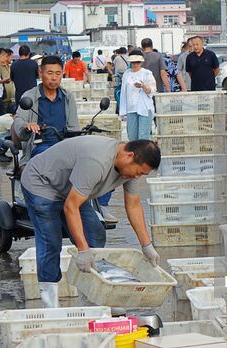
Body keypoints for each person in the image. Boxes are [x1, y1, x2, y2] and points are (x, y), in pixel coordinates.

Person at [20, 137, 161, 307]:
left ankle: (94, 295)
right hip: (41, 182)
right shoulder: (97, 161)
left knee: (95, 234)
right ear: (129, 155)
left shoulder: (130, 169)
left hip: (71, 189)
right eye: (139, 172)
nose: (137, 177)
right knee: (51, 242)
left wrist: (147, 246)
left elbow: (133, 205)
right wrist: (82, 249)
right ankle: (50, 305)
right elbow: (71, 207)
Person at [12, 55, 80, 163]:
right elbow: (19, 120)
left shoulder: (68, 97)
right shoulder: (29, 96)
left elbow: (74, 128)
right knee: (48, 157)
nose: (54, 77)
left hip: (63, 146)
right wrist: (26, 125)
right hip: (38, 147)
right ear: (40, 73)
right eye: (50, 73)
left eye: (58, 73)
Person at [119, 50, 156, 141]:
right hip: (131, 108)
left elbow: (152, 91)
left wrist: (143, 86)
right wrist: (122, 111)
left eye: (137, 62)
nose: (135, 64)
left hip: (144, 108)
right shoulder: (126, 74)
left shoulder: (147, 73)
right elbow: (123, 93)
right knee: (132, 136)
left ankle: (144, 154)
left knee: (143, 136)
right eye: (133, 62)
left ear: (141, 62)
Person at [0, 49, 15, 113]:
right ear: (7, 56)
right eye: (11, 56)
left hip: (10, 99)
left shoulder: (9, 66)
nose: (12, 58)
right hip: (3, 99)